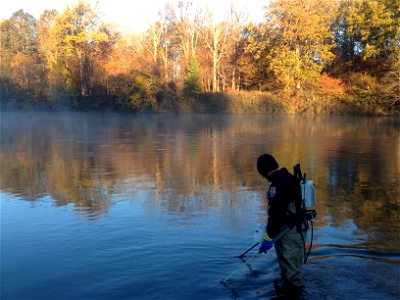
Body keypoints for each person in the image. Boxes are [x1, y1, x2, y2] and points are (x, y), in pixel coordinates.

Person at [257, 154, 307, 300]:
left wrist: (267, 239)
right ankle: (289, 293)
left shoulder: (278, 185)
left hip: (290, 233)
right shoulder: (289, 178)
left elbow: (275, 217)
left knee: (292, 275)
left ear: (265, 172)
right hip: (294, 230)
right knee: (290, 270)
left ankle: (296, 296)